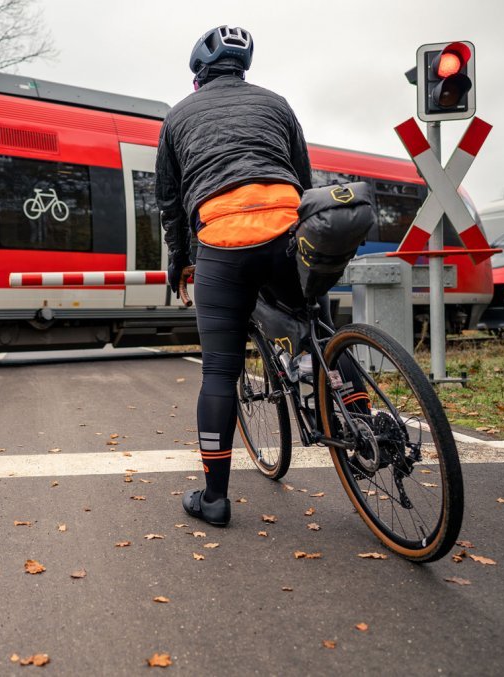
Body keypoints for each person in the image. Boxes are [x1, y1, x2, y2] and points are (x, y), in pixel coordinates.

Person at [156, 25, 313, 527]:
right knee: (317, 332)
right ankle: (359, 420)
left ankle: (216, 499)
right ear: (243, 67)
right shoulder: (277, 103)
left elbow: (170, 204)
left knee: (219, 372)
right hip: (289, 232)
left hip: (221, 242)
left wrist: (181, 262)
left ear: (199, 73)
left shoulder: (178, 115)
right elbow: (303, 178)